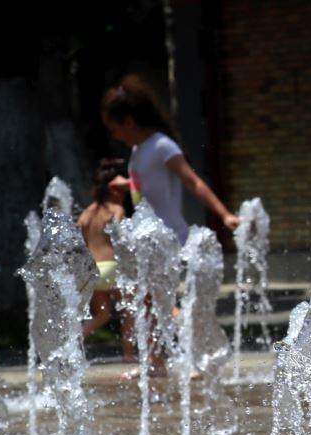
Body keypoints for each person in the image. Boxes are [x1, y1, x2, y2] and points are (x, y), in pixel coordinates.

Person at [100, 75, 240, 241]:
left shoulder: (162, 146)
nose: (114, 136)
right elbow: (151, 181)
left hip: (172, 237)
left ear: (128, 122)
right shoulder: (138, 149)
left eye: (114, 129)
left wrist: (225, 214)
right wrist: (127, 184)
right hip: (151, 238)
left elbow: (193, 182)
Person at [79, 158, 135, 361]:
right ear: (115, 191)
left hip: (93, 270)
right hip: (112, 267)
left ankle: (73, 341)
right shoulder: (116, 211)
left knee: (102, 315)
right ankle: (129, 355)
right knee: (129, 311)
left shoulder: (86, 214)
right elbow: (122, 240)